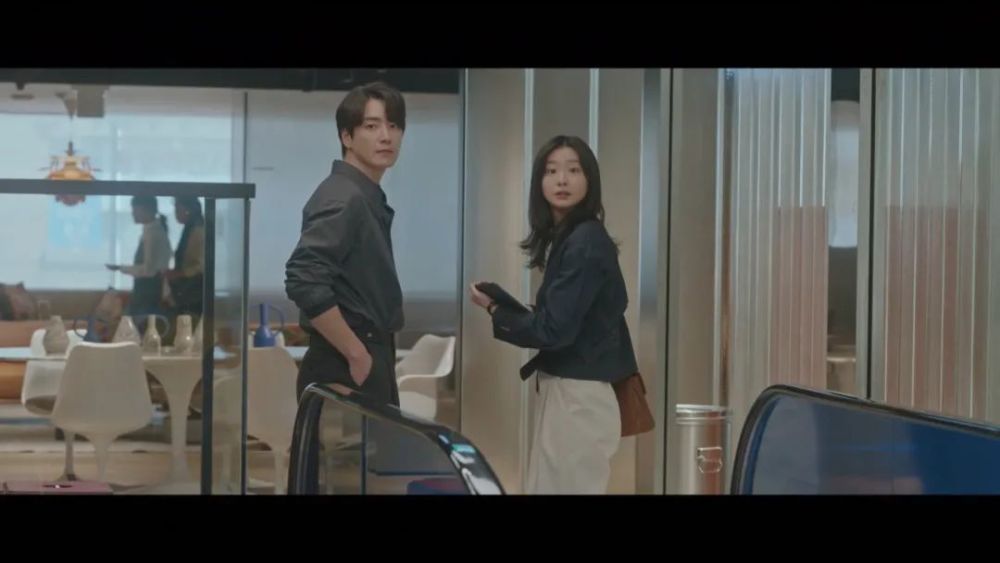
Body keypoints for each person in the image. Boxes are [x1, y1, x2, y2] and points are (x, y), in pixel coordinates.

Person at [469, 134, 638, 495]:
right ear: (539, 182)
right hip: (575, 392)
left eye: (573, 170)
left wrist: (497, 310)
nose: (562, 180)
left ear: (589, 180)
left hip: (577, 396)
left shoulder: (584, 241)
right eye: (551, 171)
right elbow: (564, 318)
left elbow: (554, 330)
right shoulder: (574, 237)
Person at [285, 81, 407, 406]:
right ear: (347, 137)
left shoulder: (362, 194)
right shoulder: (344, 195)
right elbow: (303, 278)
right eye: (372, 126)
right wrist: (356, 353)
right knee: (358, 443)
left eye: (394, 125)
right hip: (346, 357)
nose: (386, 136)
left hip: (362, 352)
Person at [107, 195, 172, 318]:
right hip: (147, 289)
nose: (133, 214)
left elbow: (149, 270)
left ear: (145, 210)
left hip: (148, 291)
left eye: (135, 210)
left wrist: (121, 268)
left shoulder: (153, 234)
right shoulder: (150, 231)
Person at [164, 196, 205, 320]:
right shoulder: (189, 228)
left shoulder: (198, 230)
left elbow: (200, 266)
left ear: (188, 210)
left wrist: (179, 273)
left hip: (194, 292)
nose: (175, 213)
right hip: (186, 291)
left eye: (177, 209)